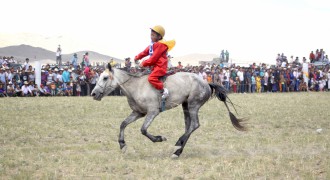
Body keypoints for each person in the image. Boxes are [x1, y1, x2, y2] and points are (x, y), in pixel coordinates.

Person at [134, 25, 175, 99]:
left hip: (160, 67)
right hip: (154, 67)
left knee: (151, 78)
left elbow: (153, 59)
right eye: (151, 34)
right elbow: (144, 52)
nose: (151, 36)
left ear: (159, 37)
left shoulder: (161, 45)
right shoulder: (152, 44)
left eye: (153, 35)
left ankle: (164, 90)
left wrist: (143, 63)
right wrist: (137, 57)